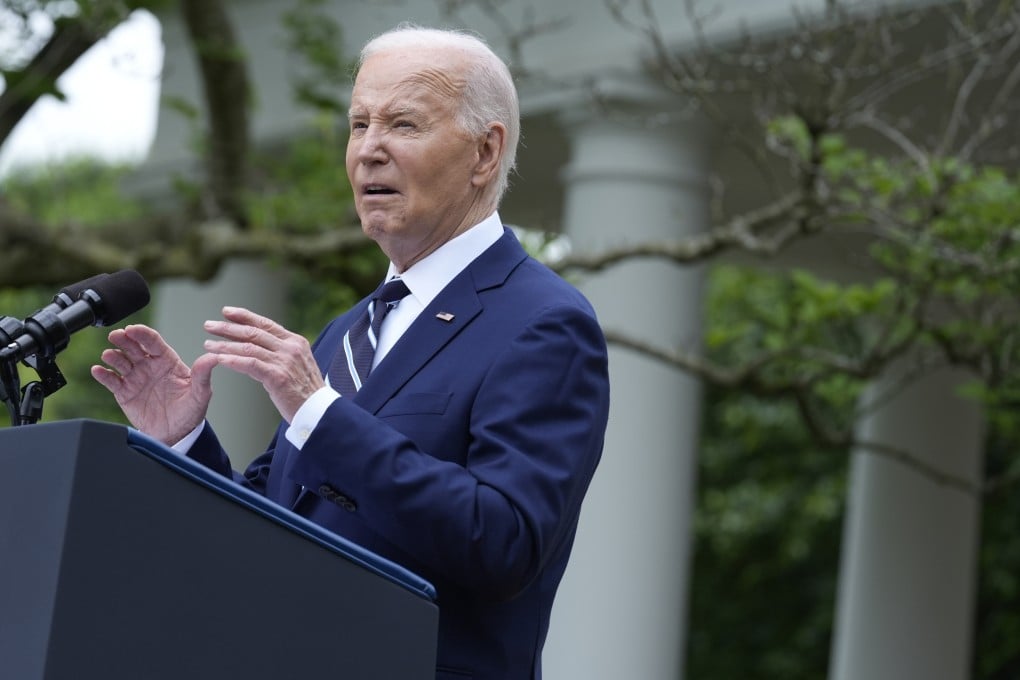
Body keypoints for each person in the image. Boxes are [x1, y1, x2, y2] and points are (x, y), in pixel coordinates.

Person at [91, 23, 610, 680]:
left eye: (403, 124)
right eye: (358, 124)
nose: (368, 151)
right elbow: (268, 528)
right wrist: (185, 439)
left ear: (485, 152)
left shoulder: (544, 323)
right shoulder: (347, 332)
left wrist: (321, 412)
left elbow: (502, 542)